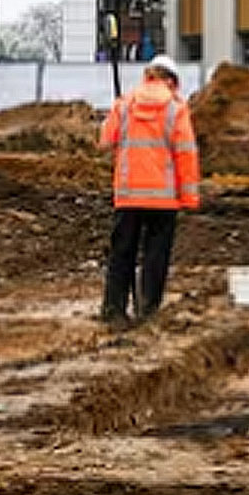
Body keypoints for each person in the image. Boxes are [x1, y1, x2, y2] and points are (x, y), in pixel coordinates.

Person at [99, 54, 200, 328]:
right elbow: (186, 155)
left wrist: (117, 114)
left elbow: (106, 140)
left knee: (122, 252)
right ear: (171, 81)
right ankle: (148, 309)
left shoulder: (125, 103)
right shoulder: (175, 109)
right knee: (156, 255)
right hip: (164, 199)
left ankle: (113, 309)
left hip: (128, 195)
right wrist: (189, 197)